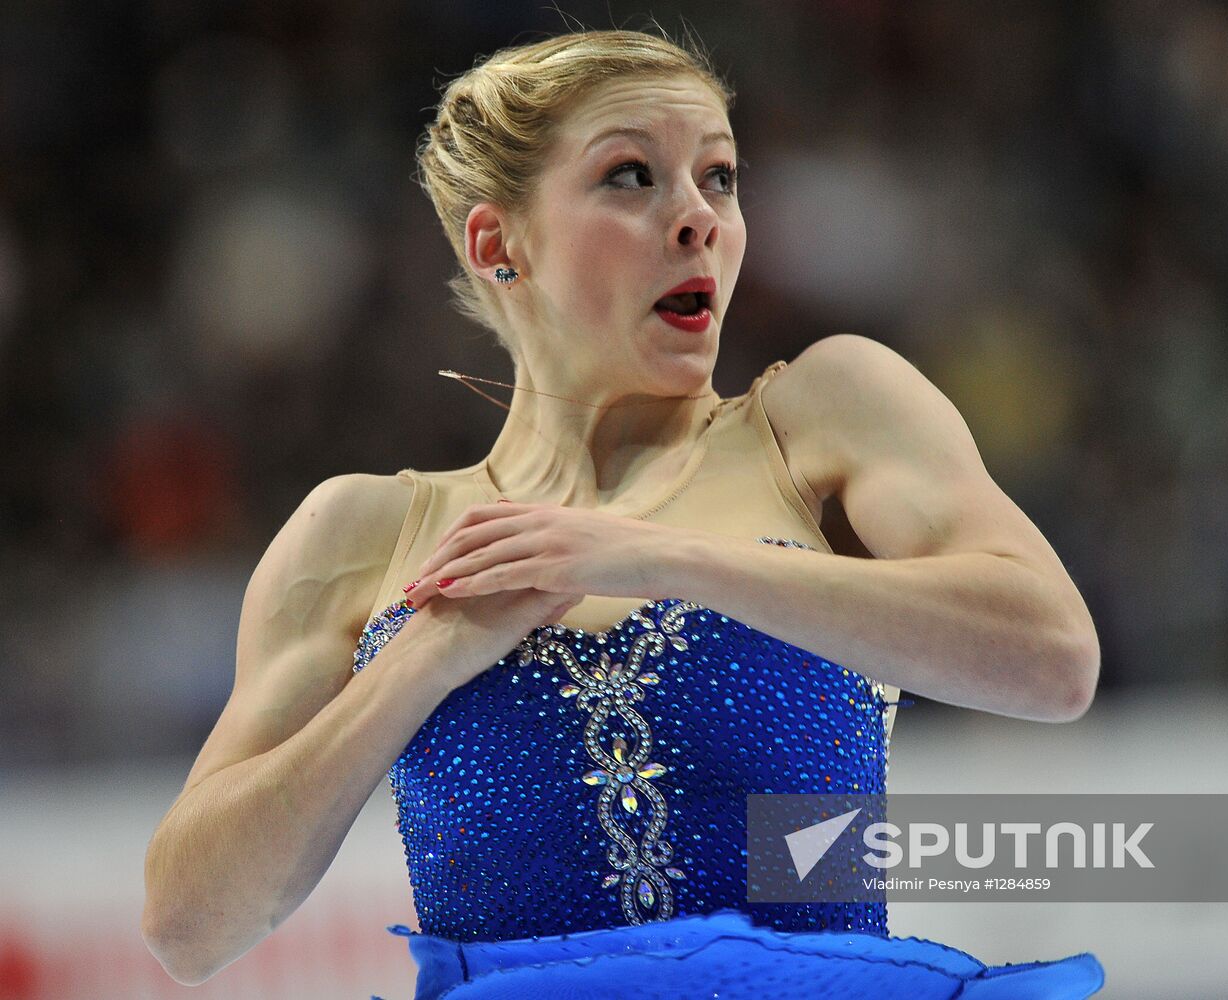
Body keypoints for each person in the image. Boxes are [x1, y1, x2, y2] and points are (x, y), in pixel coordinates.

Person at [142, 26, 1105, 1000]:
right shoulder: (362, 533)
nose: (697, 218)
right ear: (498, 243)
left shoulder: (819, 422)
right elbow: (188, 928)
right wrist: (420, 662)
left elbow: (1052, 657)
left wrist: (659, 556)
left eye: (719, 177)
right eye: (631, 177)